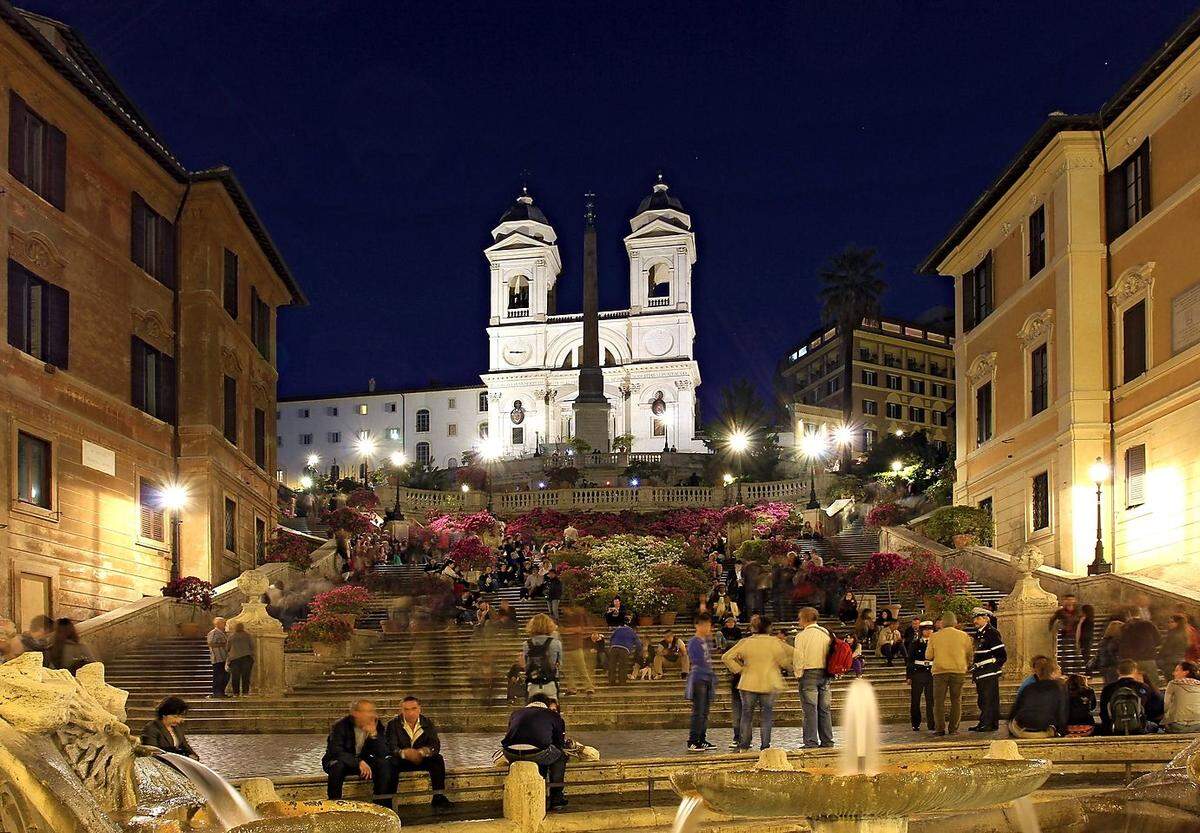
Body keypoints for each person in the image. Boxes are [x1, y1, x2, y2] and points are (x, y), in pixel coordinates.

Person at [723, 615, 792, 751]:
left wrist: (739, 670)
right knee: (766, 715)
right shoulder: (774, 642)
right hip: (769, 682)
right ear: (768, 627)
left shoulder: (746, 642)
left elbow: (726, 657)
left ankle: (744, 744)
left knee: (747, 714)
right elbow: (786, 659)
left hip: (748, 682)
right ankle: (765, 745)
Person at [322, 699, 394, 807]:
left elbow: (384, 752)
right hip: (341, 760)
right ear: (356, 713)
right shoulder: (340, 726)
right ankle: (334, 804)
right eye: (367, 711)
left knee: (385, 764)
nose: (371, 715)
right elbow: (336, 751)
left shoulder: (377, 724)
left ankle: (381, 804)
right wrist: (358, 762)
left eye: (372, 711)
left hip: (365, 761)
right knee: (337, 766)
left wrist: (374, 735)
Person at [501, 694, 568, 811]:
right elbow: (559, 743)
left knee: (543, 752)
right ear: (546, 704)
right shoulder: (552, 715)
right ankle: (556, 798)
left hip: (510, 752)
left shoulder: (516, 713)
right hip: (536, 753)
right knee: (560, 756)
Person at [385, 696, 452, 808]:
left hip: (421, 758)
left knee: (438, 759)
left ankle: (438, 796)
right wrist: (404, 753)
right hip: (402, 760)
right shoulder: (393, 724)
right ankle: (390, 800)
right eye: (406, 709)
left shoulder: (427, 723)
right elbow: (391, 746)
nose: (410, 712)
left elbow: (435, 745)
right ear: (401, 710)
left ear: (419, 709)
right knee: (390, 762)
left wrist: (423, 752)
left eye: (414, 708)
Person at [925, 611, 974, 736]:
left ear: (942, 623)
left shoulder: (934, 636)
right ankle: (953, 728)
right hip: (958, 670)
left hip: (940, 671)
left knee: (939, 701)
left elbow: (928, 656)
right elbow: (969, 654)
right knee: (956, 700)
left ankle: (940, 728)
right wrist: (967, 664)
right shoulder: (964, 636)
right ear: (955, 622)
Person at [792, 607, 834, 749]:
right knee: (825, 709)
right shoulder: (826, 633)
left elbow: (799, 657)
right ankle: (827, 740)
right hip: (825, 673)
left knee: (810, 710)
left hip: (808, 673)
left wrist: (798, 674)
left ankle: (811, 742)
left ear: (804, 619)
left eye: (799, 618)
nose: (798, 621)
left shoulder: (801, 636)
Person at [1006, 657, 1068, 738]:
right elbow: (1062, 713)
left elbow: (1014, 710)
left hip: (1020, 729)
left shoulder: (1029, 686)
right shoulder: (1059, 688)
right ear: (1052, 672)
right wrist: (1062, 733)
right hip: (1042, 731)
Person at [970, 607, 1007, 732]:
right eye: (974, 618)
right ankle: (985, 722)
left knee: (989, 699)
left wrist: (994, 668)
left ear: (986, 619)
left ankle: (989, 723)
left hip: (988, 671)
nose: (975, 621)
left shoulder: (991, 632)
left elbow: (1001, 655)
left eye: (978, 618)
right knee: (983, 699)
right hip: (981, 672)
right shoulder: (979, 633)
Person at [685, 615, 717, 752]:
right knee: (698, 711)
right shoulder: (694, 642)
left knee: (704, 712)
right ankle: (693, 740)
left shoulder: (705, 641)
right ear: (698, 626)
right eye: (706, 625)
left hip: (707, 678)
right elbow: (698, 660)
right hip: (699, 679)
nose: (708, 628)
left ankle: (702, 739)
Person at [1100, 660, 1153, 735]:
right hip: (1139, 728)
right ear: (1135, 670)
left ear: (1118, 671)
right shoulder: (1143, 687)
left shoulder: (1108, 689)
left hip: (1114, 729)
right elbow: (1152, 709)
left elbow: (1103, 712)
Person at [905, 621, 935, 732]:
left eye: (930, 629)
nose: (929, 631)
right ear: (922, 631)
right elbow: (910, 660)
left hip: (931, 673)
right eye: (926, 629)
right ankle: (915, 723)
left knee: (931, 700)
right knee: (915, 700)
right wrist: (909, 676)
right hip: (918, 673)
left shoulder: (935, 643)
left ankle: (932, 723)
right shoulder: (915, 643)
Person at [523, 614, 561, 700]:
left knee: (531, 711)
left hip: (532, 684)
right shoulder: (556, 643)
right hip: (550, 682)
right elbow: (559, 663)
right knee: (552, 711)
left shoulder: (526, 644)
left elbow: (526, 665)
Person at [559, 606, 595, 696]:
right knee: (568, 671)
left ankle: (589, 687)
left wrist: (567, 631)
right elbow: (561, 630)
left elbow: (579, 629)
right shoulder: (564, 620)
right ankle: (571, 688)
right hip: (566, 648)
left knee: (581, 668)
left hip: (576, 647)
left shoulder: (577, 618)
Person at [1119, 614, 1162, 686]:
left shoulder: (1126, 627)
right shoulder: (1149, 625)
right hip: (1149, 658)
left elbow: (1122, 643)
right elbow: (1158, 640)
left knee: (1135, 684)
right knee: (1153, 683)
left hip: (1133, 660)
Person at [1163, 661, 1200, 733]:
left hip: (1178, 726)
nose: (1173, 673)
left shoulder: (1173, 683)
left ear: (1186, 672)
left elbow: (1166, 706)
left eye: (1176, 670)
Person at [223, 622, 255, 697]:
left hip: (234, 659)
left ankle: (236, 693)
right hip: (246, 658)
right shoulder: (248, 636)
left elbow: (227, 648)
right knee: (246, 676)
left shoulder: (231, 636)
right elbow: (252, 646)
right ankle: (245, 693)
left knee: (235, 676)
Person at [607, 621, 639, 686]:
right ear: (634, 629)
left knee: (612, 665)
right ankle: (622, 682)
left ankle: (611, 681)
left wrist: (611, 646)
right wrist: (639, 651)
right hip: (624, 649)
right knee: (623, 666)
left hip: (614, 648)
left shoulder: (618, 629)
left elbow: (611, 638)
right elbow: (638, 643)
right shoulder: (632, 632)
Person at [206, 617, 229, 699]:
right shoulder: (214, 632)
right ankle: (216, 692)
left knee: (224, 675)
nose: (225, 625)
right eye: (223, 623)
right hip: (217, 657)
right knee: (218, 676)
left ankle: (221, 692)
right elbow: (211, 643)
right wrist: (224, 644)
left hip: (223, 657)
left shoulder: (222, 632)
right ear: (218, 624)